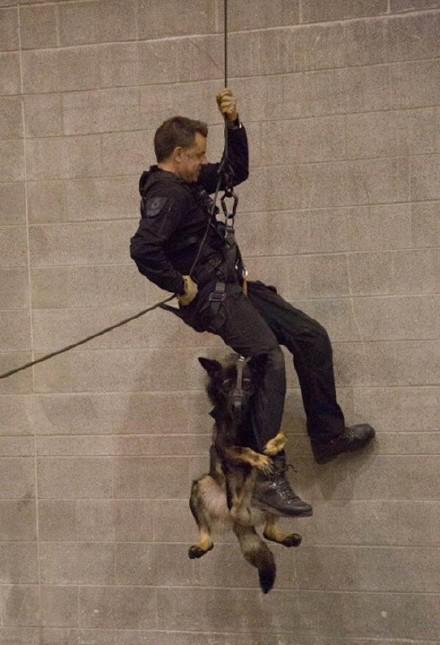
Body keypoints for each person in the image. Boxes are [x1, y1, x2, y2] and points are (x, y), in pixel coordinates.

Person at [130, 89, 375, 518]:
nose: (205, 163)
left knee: (309, 335)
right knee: (267, 355)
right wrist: (178, 284)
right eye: (199, 155)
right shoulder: (166, 192)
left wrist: (234, 123)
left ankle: (327, 435)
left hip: (233, 285)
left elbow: (234, 170)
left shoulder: (188, 180)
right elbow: (143, 248)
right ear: (178, 155)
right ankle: (265, 474)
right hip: (210, 295)